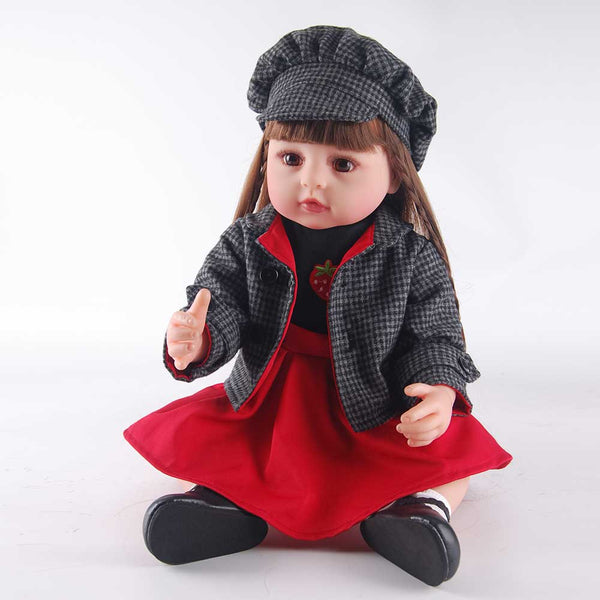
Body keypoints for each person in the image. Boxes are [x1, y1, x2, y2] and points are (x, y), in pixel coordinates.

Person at [123, 25, 512, 586]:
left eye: (342, 165)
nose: (311, 182)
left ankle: (419, 509)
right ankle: (221, 505)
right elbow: (219, 301)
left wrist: (437, 388)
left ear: (395, 173)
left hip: (376, 401)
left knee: (450, 448)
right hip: (273, 396)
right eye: (290, 157)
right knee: (228, 448)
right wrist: (199, 338)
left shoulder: (409, 256)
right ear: (266, 159)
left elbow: (435, 335)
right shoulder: (247, 241)